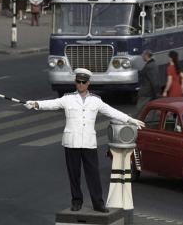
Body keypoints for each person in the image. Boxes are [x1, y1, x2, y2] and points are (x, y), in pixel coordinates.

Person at [24, 69, 145, 213]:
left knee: (93, 173)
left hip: (88, 143)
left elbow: (112, 111)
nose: (80, 85)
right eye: (78, 82)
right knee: (74, 174)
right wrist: (35, 104)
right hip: (71, 142)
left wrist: (130, 119)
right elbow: (52, 104)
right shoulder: (68, 98)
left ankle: (98, 203)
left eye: (83, 82)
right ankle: (76, 201)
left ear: (88, 83)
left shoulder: (95, 100)